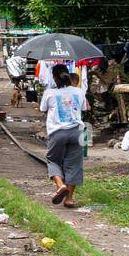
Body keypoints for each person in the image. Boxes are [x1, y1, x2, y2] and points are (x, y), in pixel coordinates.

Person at [40, 65, 88, 207]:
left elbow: (43, 109)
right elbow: (84, 108)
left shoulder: (49, 93)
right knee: (74, 165)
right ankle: (69, 199)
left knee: (52, 160)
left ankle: (60, 185)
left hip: (57, 132)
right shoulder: (79, 92)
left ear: (54, 78)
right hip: (77, 132)